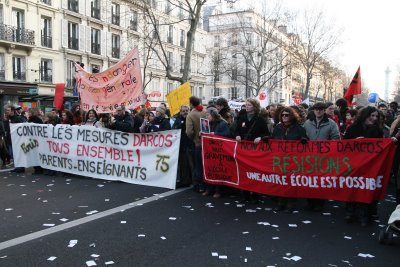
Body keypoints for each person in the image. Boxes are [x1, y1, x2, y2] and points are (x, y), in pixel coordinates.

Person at [344, 106, 383, 226]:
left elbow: (381, 146)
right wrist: (355, 141)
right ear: (366, 116)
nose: (375, 118)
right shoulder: (353, 128)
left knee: (366, 189)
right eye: (372, 116)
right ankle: (350, 212)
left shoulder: (377, 130)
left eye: (376, 116)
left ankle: (364, 215)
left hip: (370, 165)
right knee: (353, 186)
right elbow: (344, 144)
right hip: (354, 164)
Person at [303, 102, 340, 211]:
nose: (318, 111)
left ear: (324, 110)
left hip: (324, 157)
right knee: (309, 180)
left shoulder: (331, 124)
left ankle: (319, 203)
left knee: (321, 180)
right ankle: (310, 202)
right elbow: (303, 136)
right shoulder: (307, 123)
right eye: (316, 109)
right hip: (309, 157)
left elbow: (336, 139)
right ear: (313, 110)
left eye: (321, 109)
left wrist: (327, 146)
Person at [272, 107, 308, 212]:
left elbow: (306, 143)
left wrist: (304, 140)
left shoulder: (299, 129)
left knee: (291, 181)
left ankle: (290, 203)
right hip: (280, 159)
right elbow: (273, 139)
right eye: (282, 115)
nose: (284, 117)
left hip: (293, 159)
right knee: (281, 181)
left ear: (291, 116)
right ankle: (281, 202)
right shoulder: (278, 128)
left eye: (286, 115)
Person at [235, 98, 270, 203]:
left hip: (255, 150)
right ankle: (245, 195)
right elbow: (236, 129)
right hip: (243, 149)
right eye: (246, 105)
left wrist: (260, 137)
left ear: (254, 107)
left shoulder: (260, 119)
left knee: (254, 172)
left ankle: (255, 194)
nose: (246, 106)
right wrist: (237, 135)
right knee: (244, 172)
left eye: (249, 105)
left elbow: (266, 133)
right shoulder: (241, 117)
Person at [202, 106, 230, 198]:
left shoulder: (222, 123)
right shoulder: (207, 124)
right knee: (209, 169)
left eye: (208, 115)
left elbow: (227, 135)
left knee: (218, 171)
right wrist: (201, 134)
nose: (206, 117)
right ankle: (209, 189)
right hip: (209, 151)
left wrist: (216, 134)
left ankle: (218, 190)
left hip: (219, 151)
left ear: (213, 115)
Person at [186, 96, 206, 193]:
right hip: (207, 142)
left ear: (191, 104)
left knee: (198, 165)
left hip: (197, 143)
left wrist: (193, 138)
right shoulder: (205, 111)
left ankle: (199, 186)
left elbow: (189, 131)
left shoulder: (190, 115)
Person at [172, 105, 194, 188]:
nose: (185, 112)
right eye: (183, 111)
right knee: (183, 164)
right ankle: (184, 180)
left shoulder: (190, 119)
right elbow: (174, 129)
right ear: (180, 112)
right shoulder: (178, 120)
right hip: (180, 145)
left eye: (186, 110)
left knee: (190, 164)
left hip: (189, 144)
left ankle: (190, 180)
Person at [28, 108, 44, 175]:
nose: (28, 113)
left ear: (32, 112)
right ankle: (36, 168)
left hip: (37, 140)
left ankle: (39, 169)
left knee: (36, 155)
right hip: (32, 140)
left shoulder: (38, 120)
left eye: (29, 112)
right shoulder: (30, 119)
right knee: (33, 154)